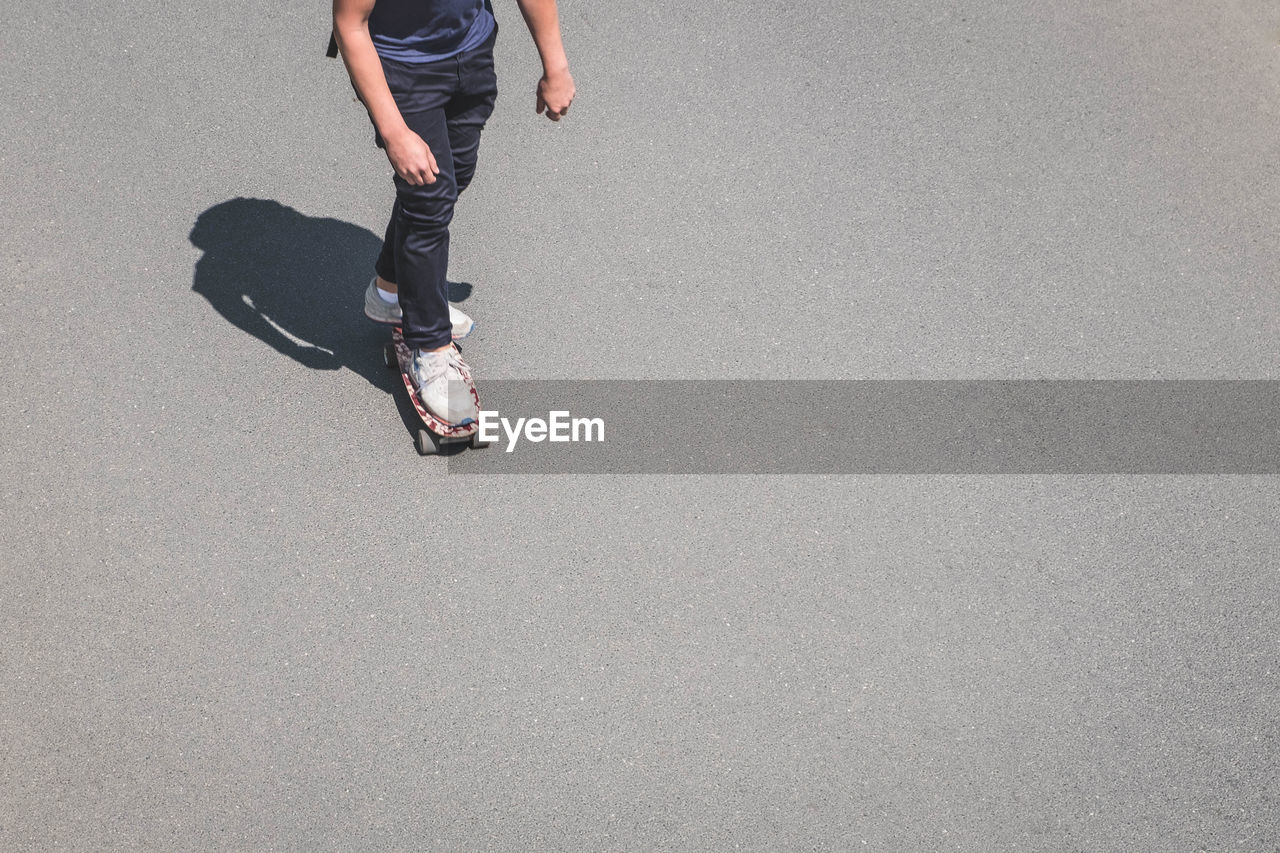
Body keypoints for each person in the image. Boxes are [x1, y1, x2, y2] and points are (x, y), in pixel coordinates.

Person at [332, 0, 575, 424]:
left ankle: (390, 291)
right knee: (429, 201)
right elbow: (349, 25)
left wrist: (555, 65)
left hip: (471, 51)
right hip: (401, 69)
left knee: (451, 178)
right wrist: (394, 133)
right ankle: (431, 349)